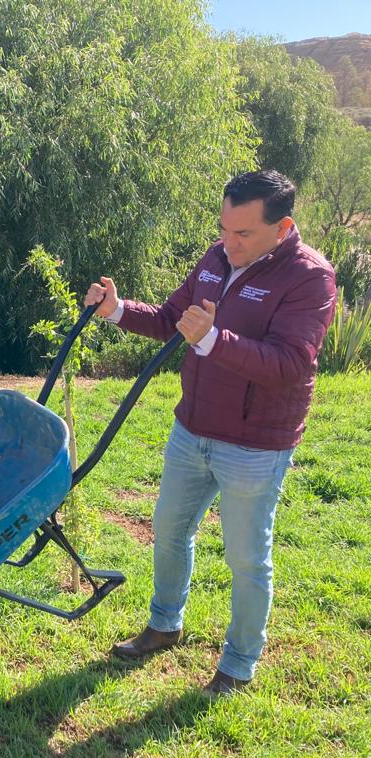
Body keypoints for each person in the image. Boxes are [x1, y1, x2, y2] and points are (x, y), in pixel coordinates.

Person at [85, 170, 336, 697]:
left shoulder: (309, 278)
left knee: (246, 558)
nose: (229, 242)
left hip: (254, 445)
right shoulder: (217, 257)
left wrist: (214, 340)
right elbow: (174, 318)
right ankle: (164, 624)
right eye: (224, 228)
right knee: (170, 531)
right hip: (191, 430)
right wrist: (117, 310)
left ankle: (239, 663)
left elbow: (289, 363)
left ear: (282, 226)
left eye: (243, 233)